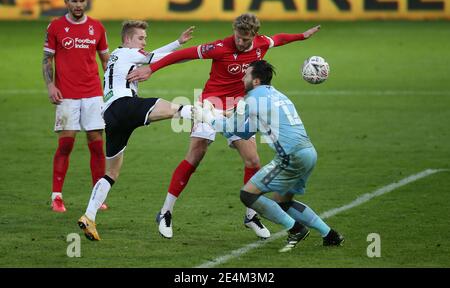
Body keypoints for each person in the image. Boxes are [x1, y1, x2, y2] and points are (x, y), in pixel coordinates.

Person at [127, 13, 321, 239]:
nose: (240, 42)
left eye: (245, 39)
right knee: (196, 154)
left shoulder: (261, 44)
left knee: (253, 160)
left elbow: (279, 38)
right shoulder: (219, 47)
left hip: (239, 107)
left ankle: (250, 215)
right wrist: (153, 68)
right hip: (211, 102)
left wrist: (302, 36)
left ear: (254, 36)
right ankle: (166, 211)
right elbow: (184, 53)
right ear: (234, 32)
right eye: (238, 37)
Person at [195, 60, 344, 252]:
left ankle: (296, 229)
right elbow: (245, 132)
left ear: (255, 81)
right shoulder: (276, 94)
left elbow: (230, 129)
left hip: (290, 156)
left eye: (246, 74)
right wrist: (215, 114)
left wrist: (205, 116)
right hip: (308, 153)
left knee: (248, 195)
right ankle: (330, 235)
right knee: (284, 202)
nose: (242, 77)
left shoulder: (252, 98)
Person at [77, 20, 195, 241]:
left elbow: (150, 55)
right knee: (176, 109)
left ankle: (89, 216)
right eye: (141, 38)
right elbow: (157, 59)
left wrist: (177, 42)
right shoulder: (130, 53)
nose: (144, 42)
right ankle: (211, 115)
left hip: (110, 115)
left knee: (111, 173)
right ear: (128, 39)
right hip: (125, 106)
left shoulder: (118, 54)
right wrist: (194, 53)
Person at [43, 0, 110, 212]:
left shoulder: (97, 27)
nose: (78, 5)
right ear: (66, 3)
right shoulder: (55, 27)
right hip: (67, 95)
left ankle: (98, 197)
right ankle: (57, 196)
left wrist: (112, 89)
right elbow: (47, 60)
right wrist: (51, 85)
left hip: (93, 94)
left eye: (81, 0)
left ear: (86, 1)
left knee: (96, 145)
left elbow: (105, 60)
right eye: (74, 1)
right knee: (66, 144)